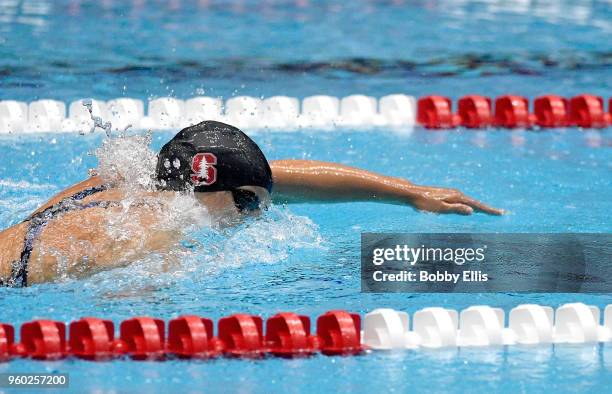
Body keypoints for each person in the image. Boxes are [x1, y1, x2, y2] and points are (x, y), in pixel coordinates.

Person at [0, 121, 503, 287]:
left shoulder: (129, 180)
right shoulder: (149, 234)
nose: (254, 219)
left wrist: (410, 193)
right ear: (220, 196)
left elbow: (278, 175)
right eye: (249, 208)